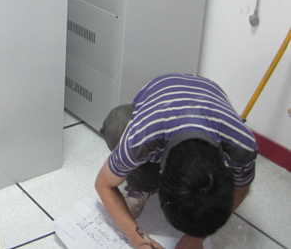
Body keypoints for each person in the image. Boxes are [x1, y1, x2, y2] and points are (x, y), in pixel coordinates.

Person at [94, 74, 257, 249]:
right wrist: (140, 240)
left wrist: (195, 238)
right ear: (161, 173)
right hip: (159, 100)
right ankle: (143, 186)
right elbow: (103, 184)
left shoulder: (242, 144)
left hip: (207, 98)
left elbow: (241, 188)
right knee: (117, 123)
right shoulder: (142, 135)